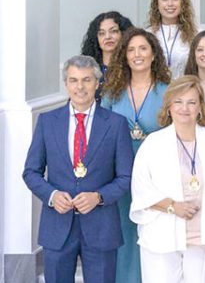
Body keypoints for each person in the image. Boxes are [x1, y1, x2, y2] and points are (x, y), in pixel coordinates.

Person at [23, 55, 134, 283]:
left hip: (101, 227)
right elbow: (31, 172)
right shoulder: (47, 121)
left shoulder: (116, 124)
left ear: (97, 83)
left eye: (86, 80)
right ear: (66, 84)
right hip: (57, 226)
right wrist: (52, 195)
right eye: (73, 80)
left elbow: (126, 176)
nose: (80, 87)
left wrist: (99, 197)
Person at [130, 76, 205, 283]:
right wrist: (173, 206)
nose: (185, 108)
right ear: (169, 107)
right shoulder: (153, 144)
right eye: (178, 102)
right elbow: (141, 190)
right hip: (161, 238)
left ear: (200, 107)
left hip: (203, 239)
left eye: (191, 102)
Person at [101, 27, 171, 283]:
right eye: (131, 50)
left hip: (157, 173)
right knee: (125, 232)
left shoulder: (168, 91)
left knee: (153, 229)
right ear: (124, 56)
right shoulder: (113, 90)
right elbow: (102, 131)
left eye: (143, 48)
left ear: (154, 54)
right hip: (119, 171)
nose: (137, 54)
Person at [146, 0, 197, 78]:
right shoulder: (147, 35)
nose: (170, 4)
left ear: (182, 3)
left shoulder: (195, 35)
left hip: (185, 90)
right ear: (157, 4)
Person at [80, 11, 134, 99]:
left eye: (113, 31)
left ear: (124, 34)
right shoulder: (88, 69)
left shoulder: (133, 68)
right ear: (96, 39)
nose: (108, 37)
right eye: (102, 33)